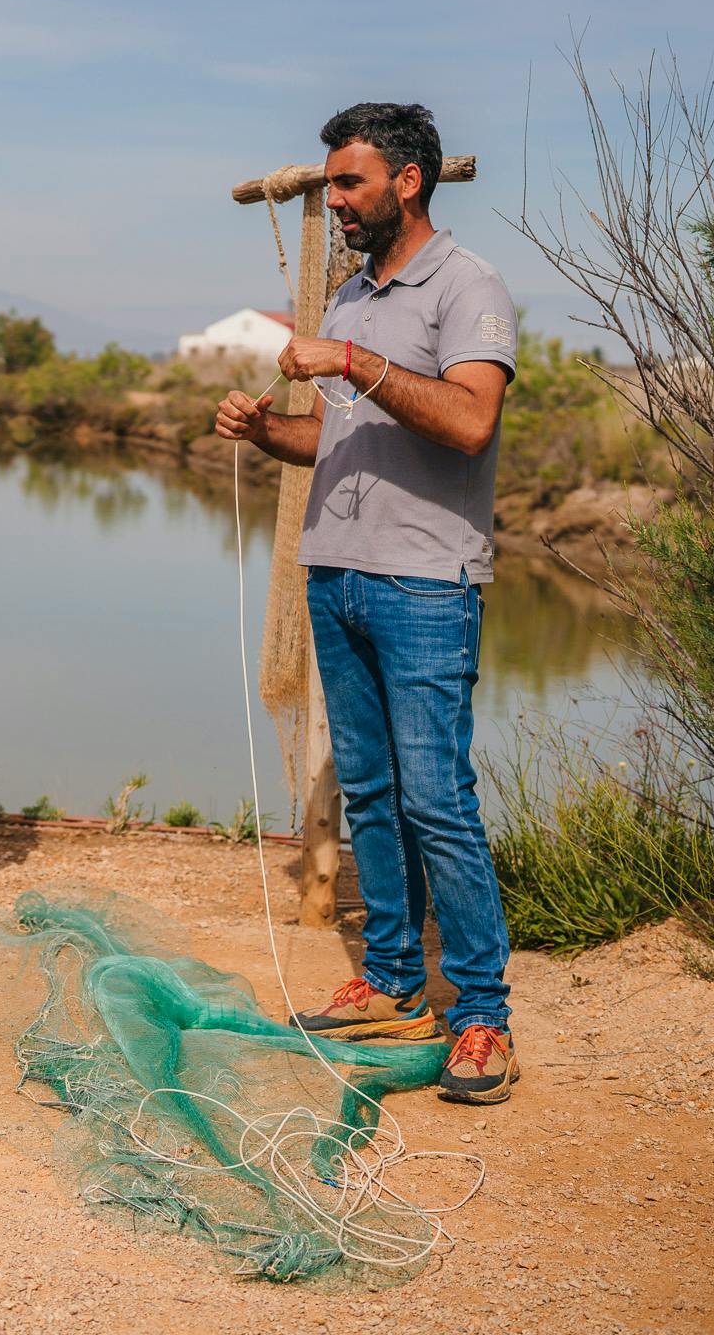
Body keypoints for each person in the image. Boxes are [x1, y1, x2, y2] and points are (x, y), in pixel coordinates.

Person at [214, 101, 521, 1105]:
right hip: (334, 576)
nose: (333, 200)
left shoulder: (464, 285)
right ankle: (391, 980)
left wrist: (350, 361)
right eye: (330, 183)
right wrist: (266, 432)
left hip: (426, 584)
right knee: (375, 798)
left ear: (407, 182)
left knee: (436, 800)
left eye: (347, 183)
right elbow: (340, 440)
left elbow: (468, 422)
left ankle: (480, 1016)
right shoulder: (349, 293)